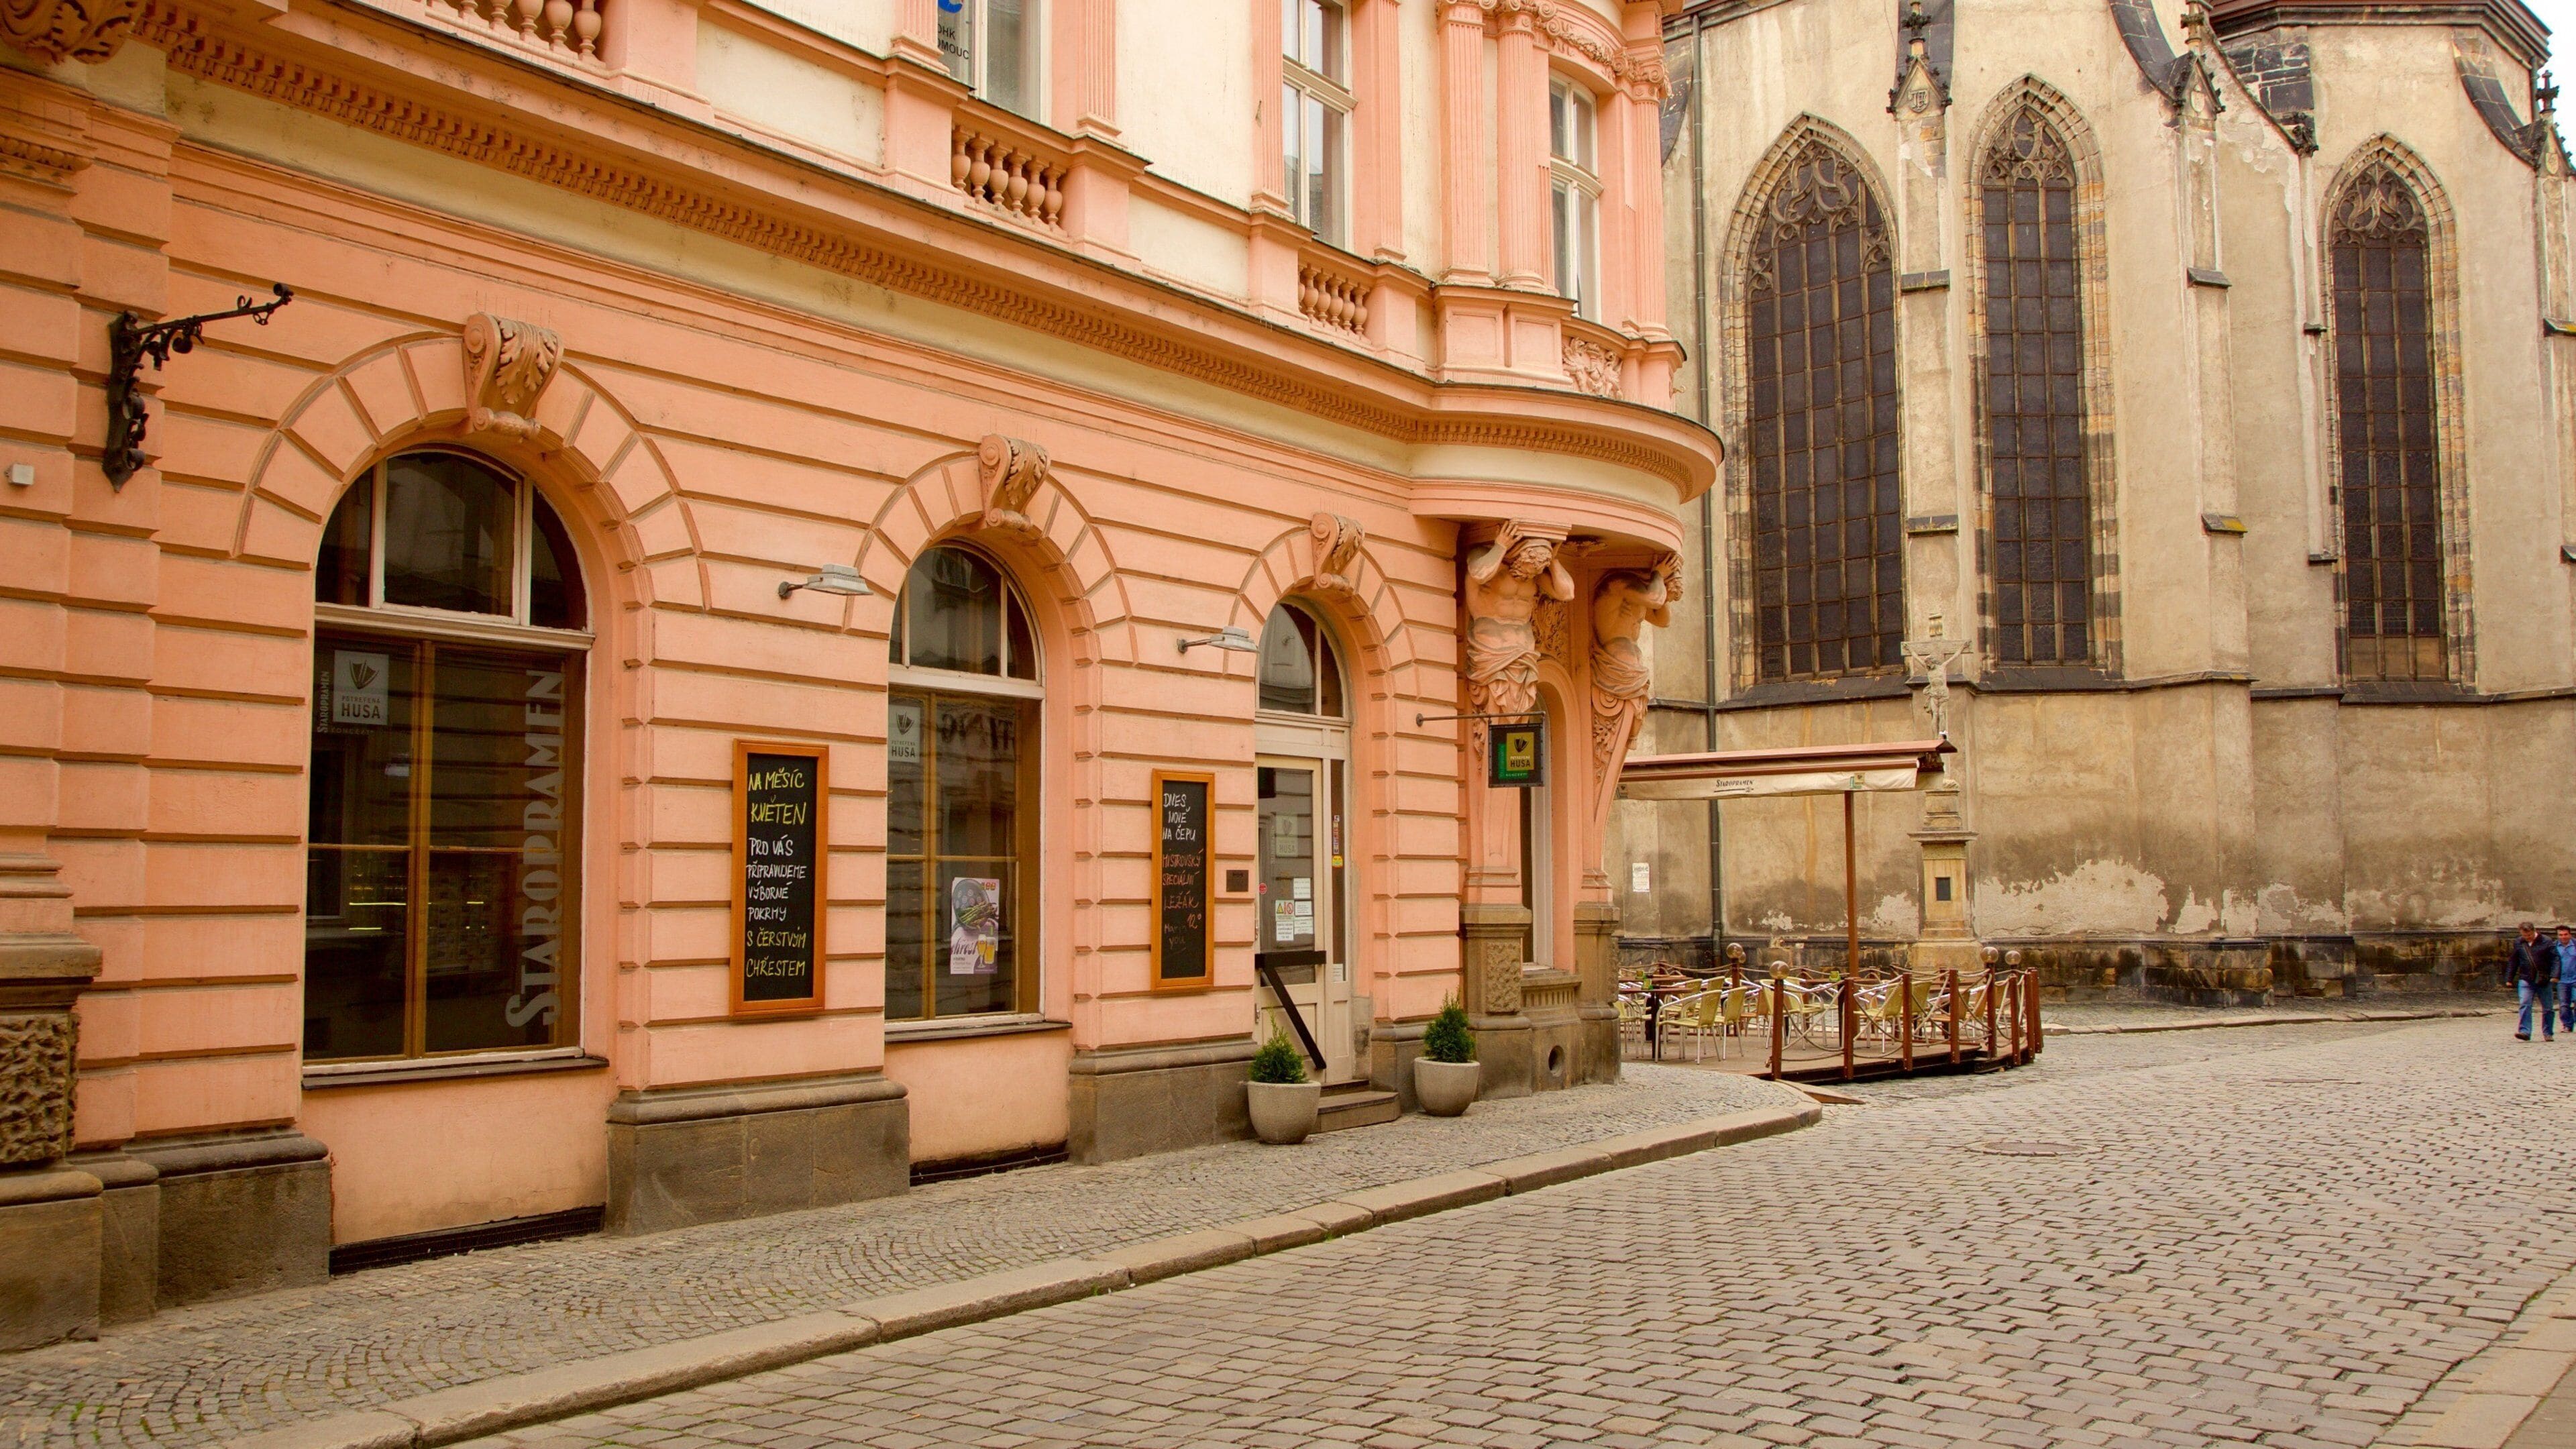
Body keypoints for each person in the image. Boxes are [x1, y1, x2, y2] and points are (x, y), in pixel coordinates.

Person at [2510, 922, 2557, 1041]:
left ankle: (2548, 1033)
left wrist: (2555, 975)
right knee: (2525, 1004)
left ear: (2534, 931)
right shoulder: (2519, 942)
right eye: (2524, 935)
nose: (2527, 938)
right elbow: (2514, 961)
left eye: (2529, 935)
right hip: (2526, 978)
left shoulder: (2546, 941)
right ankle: (2525, 1031)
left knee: (2548, 1008)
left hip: (2543, 979)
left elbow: (2555, 959)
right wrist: (2509, 978)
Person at [2557, 926, 2576, 1036]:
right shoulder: (2554, 946)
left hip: (2575, 978)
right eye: (2561, 935)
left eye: (2565, 934)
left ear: (2570, 935)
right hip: (2562, 980)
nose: (2563, 937)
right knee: (2564, 1005)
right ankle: (2567, 1025)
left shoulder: (2575, 945)